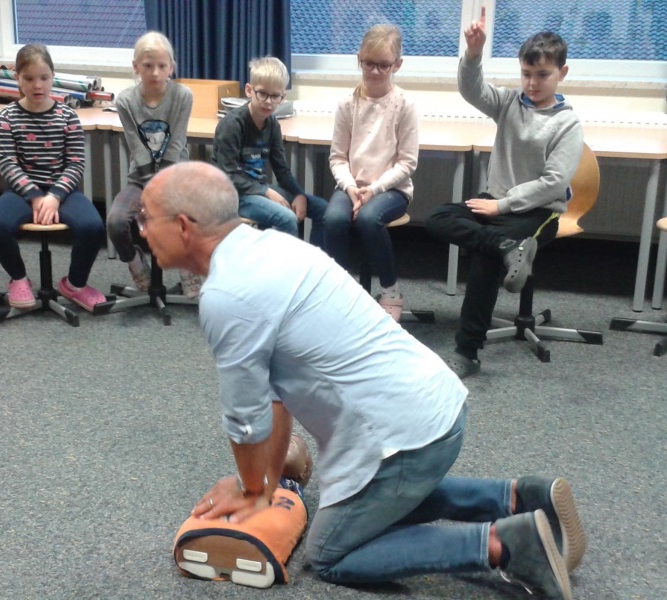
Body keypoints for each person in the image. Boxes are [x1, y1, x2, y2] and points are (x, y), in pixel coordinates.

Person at [140, 161, 586, 600]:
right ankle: (519, 498)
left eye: (146, 218)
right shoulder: (274, 245)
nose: (141, 230)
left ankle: (506, 545)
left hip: (404, 440)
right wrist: (262, 486)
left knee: (330, 552)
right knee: (377, 503)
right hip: (435, 405)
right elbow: (273, 399)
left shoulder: (227, 294)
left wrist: (250, 490)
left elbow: (245, 420)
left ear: (183, 226)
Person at [424, 8, 583, 379]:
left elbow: (554, 183)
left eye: (542, 75)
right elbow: (471, 90)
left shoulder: (567, 123)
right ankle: (505, 246)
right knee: (437, 217)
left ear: (561, 73)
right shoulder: (510, 102)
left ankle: (467, 351)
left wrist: (504, 205)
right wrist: (474, 53)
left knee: (485, 260)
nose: (532, 83)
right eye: (526, 74)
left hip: (538, 212)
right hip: (494, 202)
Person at [0, 43, 108, 312]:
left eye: (44, 77)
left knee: (93, 227)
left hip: (62, 191)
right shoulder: (7, 116)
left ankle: (75, 284)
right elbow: (8, 164)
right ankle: (19, 279)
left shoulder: (67, 116)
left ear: (53, 77)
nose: (37, 85)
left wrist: (54, 196)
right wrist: (34, 195)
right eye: (29, 78)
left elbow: (75, 163)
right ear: (17, 78)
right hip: (20, 191)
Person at [325, 24, 418, 321]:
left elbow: (407, 163)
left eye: (384, 65)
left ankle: (391, 291)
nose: (375, 71)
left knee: (368, 218)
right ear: (359, 60)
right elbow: (338, 157)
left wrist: (374, 189)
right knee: (333, 218)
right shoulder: (346, 104)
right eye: (369, 63)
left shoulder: (405, 104)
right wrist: (351, 187)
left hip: (391, 190)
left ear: (397, 65)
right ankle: (338, 290)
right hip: (352, 186)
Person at [106, 31, 202, 298]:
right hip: (141, 178)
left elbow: (176, 143)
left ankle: (187, 265)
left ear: (171, 67)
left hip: (176, 178)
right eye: (148, 66)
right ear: (136, 67)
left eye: (162, 65)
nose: (155, 73)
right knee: (115, 222)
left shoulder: (183, 96)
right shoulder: (126, 100)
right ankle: (136, 263)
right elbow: (136, 148)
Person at [211, 56, 326, 248]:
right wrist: (265, 191)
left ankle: (312, 263)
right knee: (287, 218)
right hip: (232, 195)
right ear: (249, 90)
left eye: (275, 96)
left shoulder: (272, 124)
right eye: (262, 94)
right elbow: (227, 175)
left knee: (321, 209)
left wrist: (299, 194)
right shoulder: (232, 124)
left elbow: (282, 170)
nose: (268, 102)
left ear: (283, 97)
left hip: (257, 189)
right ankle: (282, 267)